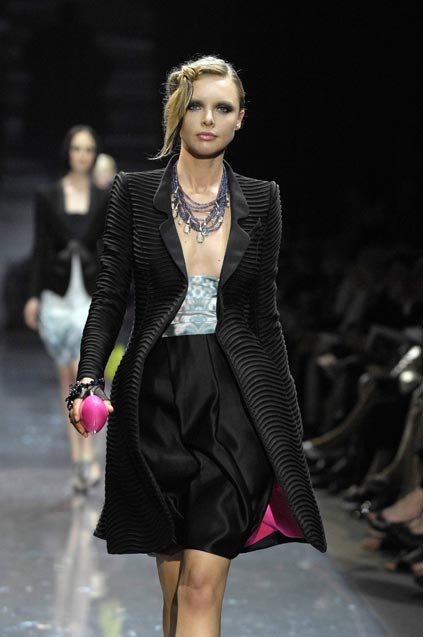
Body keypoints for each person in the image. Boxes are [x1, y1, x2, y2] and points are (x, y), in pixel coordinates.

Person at [67, 55, 327, 636]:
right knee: (175, 594)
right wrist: (88, 378)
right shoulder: (134, 193)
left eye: (223, 108)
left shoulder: (263, 199)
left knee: (202, 587)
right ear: (177, 114)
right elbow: (110, 296)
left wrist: (283, 425)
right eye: (197, 106)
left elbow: (264, 318)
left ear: (240, 119)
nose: (209, 119)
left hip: (234, 402)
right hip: (155, 401)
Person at [24, 124, 109, 494]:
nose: (83, 155)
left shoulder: (104, 197)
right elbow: (40, 247)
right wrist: (33, 296)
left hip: (89, 294)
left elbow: (109, 248)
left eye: (89, 149)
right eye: (77, 148)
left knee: (83, 374)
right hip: (57, 296)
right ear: (68, 152)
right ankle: (79, 458)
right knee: (67, 378)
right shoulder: (48, 195)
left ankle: (88, 455)